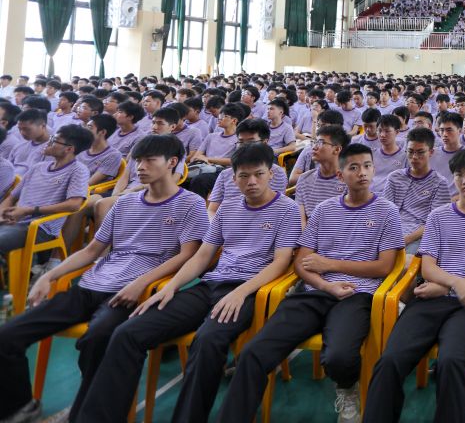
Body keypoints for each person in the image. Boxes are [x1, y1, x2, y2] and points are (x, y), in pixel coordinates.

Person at [76, 144, 301, 423]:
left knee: (207, 341)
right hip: (210, 285)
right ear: (233, 178)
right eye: (244, 176)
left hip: (248, 290)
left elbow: (281, 262)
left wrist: (241, 292)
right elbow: (203, 256)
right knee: (128, 332)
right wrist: (172, 286)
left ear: (271, 175)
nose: (251, 182)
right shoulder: (227, 208)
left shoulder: (287, 209)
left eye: (259, 174)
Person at [0, 134, 206, 423]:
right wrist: (51, 276)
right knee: (8, 335)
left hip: (130, 292)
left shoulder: (190, 204)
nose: (140, 167)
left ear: (172, 162)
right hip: (92, 284)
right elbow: (92, 250)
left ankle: (85, 413)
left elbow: (187, 254)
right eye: (138, 161)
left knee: (98, 338)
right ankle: (20, 406)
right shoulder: (125, 203)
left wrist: (141, 283)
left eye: (149, 160)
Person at [216, 139, 404, 423]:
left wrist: (330, 264)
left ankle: (347, 388)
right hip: (316, 292)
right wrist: (326, 284)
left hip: (357, 295)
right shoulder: (325, 210)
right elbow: (302, 262)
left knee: (339, 357)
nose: (362, 173)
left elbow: (384, 266)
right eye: (354, 167)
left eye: (367, 166)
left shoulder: (386, 211)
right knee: (254, 352)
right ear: (340, 175)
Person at [363, 147, 465, 423]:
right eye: (459, 175)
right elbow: (428, 267)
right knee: (390, 360)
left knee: (450, 362)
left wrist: (449, 287)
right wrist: (454, 284)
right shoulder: (438, 216)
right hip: (431, 300)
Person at [0, 124, 92, 256]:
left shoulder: (78, 170)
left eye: (54, 140)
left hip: (39, 228)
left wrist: (28, 210)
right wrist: (1, 215)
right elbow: (12, 197)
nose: (48, 142)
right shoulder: (38, 167)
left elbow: (74, 204)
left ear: (69, 149)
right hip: (15, 221)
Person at [383, 126, 452, 255]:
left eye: (420, 152)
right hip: (391, 231)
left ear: (431, 152)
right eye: (410, 151)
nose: (414, 157)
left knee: (404, 260)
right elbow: (385, 213)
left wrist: (405, 240)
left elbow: (435, 222)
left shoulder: (439, 183)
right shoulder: (394, 177)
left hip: (418, 235)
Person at [293, 126, 351, 221]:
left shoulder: (350, 181)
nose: (314, 147)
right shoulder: (304, 179)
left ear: (337, 149)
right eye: (314, 142)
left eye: (320, 143)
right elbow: (300, 220)